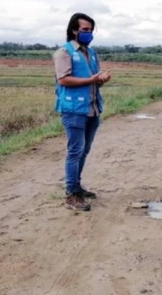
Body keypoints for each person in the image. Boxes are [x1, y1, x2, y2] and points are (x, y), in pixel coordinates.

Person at [53, 13, 111, 211]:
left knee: (84, 150)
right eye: (85, 30)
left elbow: (93, 80)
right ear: (74, 30)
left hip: (92, 108)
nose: (88, 34)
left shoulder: (91, 53)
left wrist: (101, 79)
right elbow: (63, 80)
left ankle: (76, 186)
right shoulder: (64, 53)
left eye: (90, 30)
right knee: (75, 151)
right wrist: (92, 80)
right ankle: (71, 195)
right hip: (73, 110)